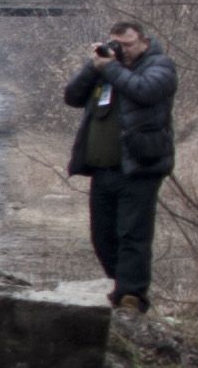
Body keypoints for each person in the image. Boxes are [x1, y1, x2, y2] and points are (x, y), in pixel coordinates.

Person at [63, 19, 178, 312]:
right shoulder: (105, 68)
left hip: (140, 166)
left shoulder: (160, 65)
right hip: (104, 169)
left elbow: (146, 91)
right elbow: (72, 96)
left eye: (128, 44)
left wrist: (111, 69)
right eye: (117, 44)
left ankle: (132, 297)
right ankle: (120, 285)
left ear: (144, 42)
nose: (123, 50)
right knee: (102, 236)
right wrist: (94, 65)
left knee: (133, 234)